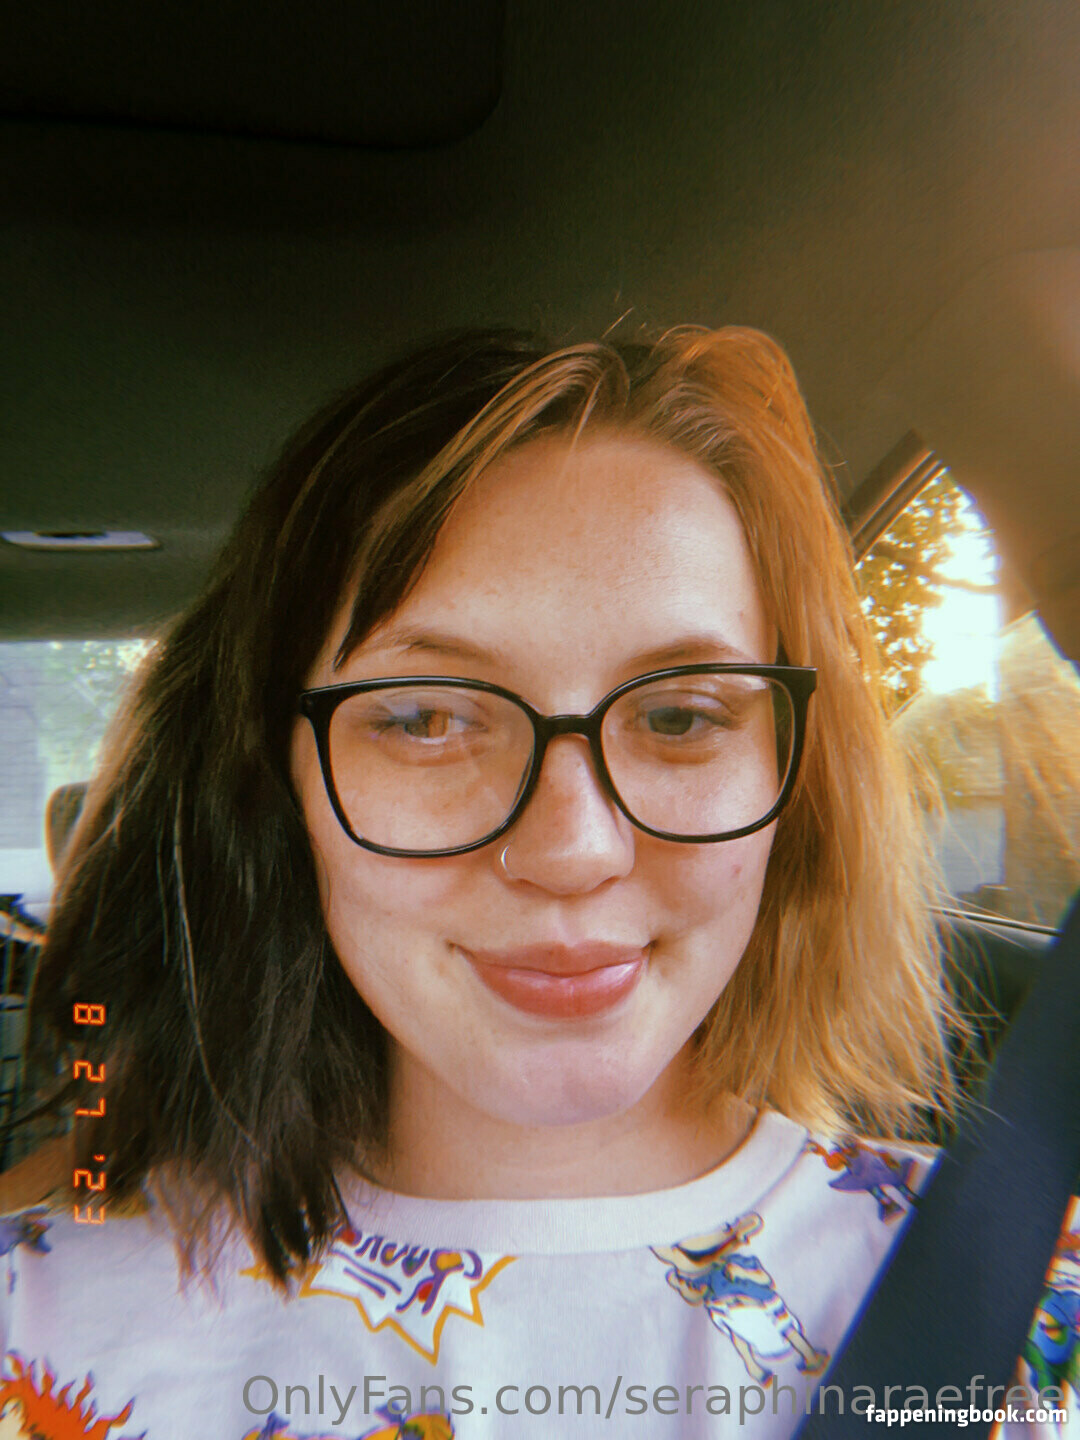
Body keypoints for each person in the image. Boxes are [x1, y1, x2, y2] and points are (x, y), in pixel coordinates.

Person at [0, 327, 1066, 1438]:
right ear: (277, 784)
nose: (574, 850)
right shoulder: (38, 1316)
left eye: (680, 716)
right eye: (426, 719)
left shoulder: (1036, 1311)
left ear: (795, 782)